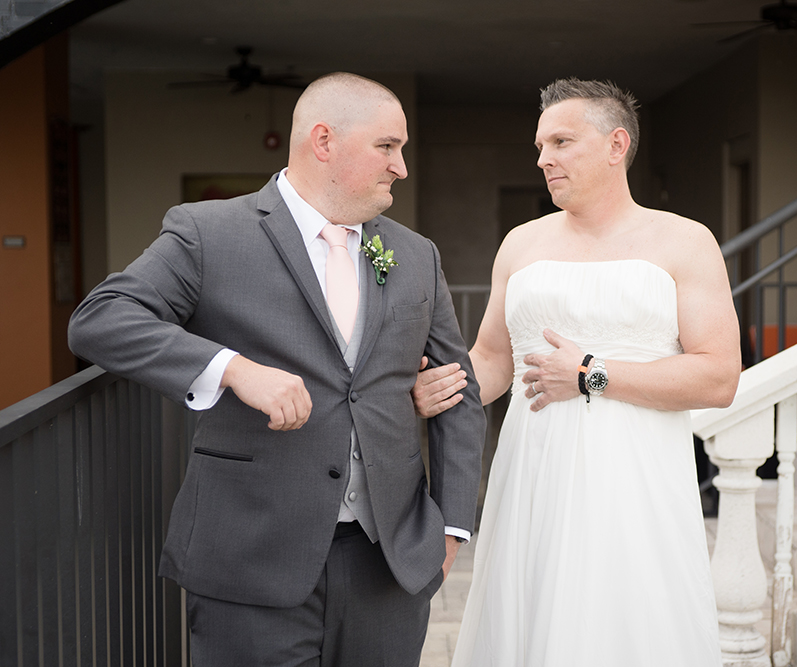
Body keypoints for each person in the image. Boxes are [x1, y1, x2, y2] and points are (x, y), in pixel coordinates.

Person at [68, 73, 486, 667]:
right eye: (387, 147)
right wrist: (232, 368)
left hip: (388, 564)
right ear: (323, 141)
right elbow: (101, 319)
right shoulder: (208, 233)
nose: (401, 167)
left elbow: (458, 393)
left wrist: (451, 531)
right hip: (250, 559)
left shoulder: (416, 254)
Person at [413, 78, 741, 665]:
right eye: (540, 145)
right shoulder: (521, 244)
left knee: (624, 619)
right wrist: (445, 385)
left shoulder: (685, 242)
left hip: (634, 475)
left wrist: (593, 374)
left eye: (561, 141)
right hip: (533, 468)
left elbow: (718, 377)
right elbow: (492, 357)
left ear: (616, 145)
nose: (544, 158)